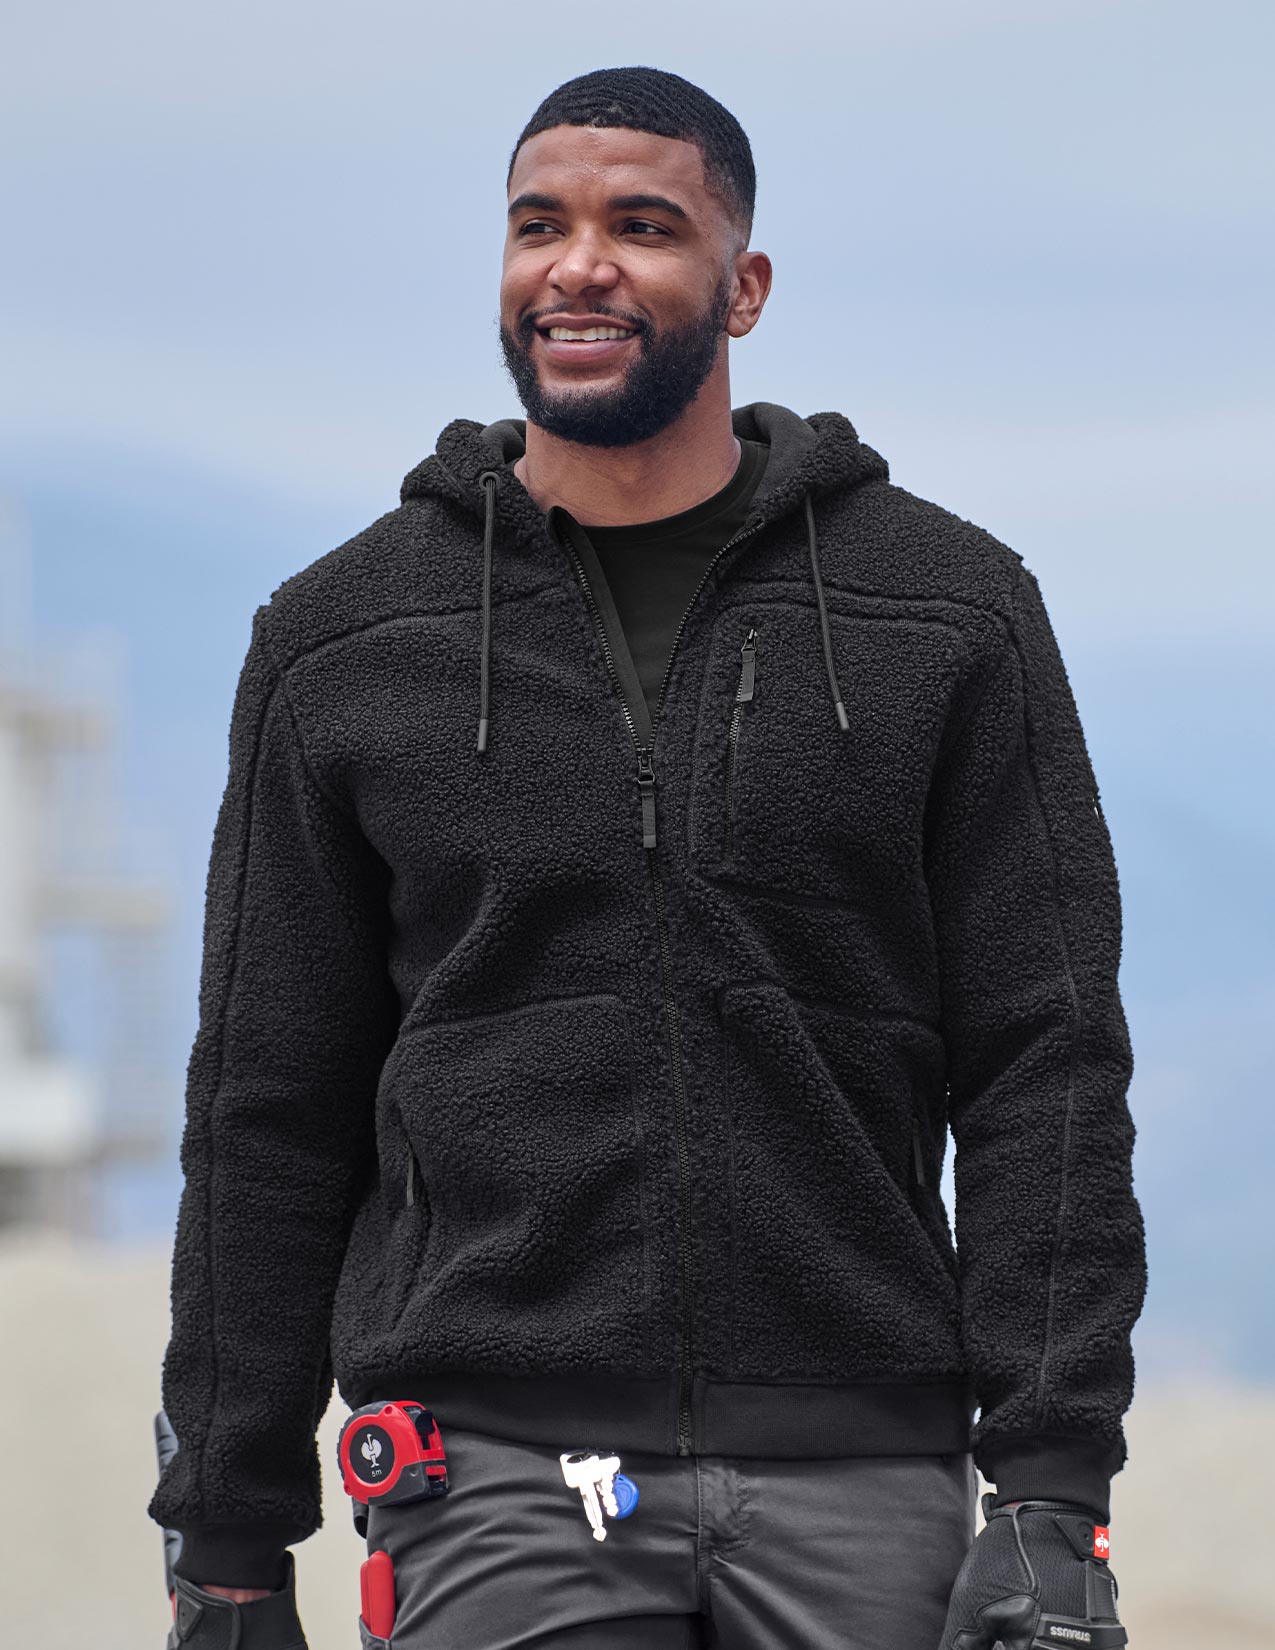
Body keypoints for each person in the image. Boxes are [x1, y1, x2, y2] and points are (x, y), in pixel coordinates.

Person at [150, 65, 1146, 1650]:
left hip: (868, 1467)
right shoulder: (343, 642)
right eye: (538, 224)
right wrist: (224, 1537)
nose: (580, 264)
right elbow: (267, 1110)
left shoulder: (945, 613)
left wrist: (1048, 1486)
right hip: (488, 1481)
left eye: (643, 225)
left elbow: (1051, 1064)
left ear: (742, 287)